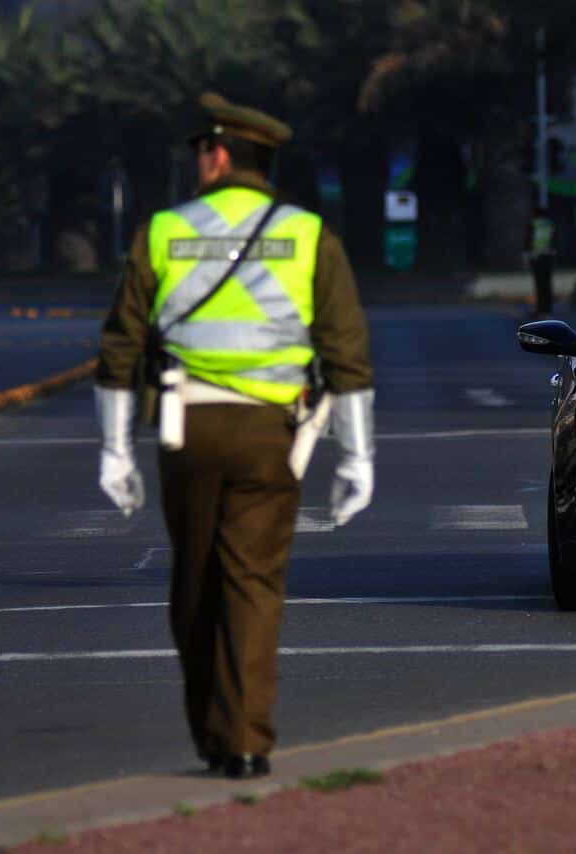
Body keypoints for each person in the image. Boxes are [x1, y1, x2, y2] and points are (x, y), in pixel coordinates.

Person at [94, 92, 375, 778]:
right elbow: (346, 353)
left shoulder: (163, 231)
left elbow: (119, 348)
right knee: (253, 583)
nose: (199, 161)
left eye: (201, 151)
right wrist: (357, 456)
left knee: (195, 582)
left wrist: (114, 449)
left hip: (186, 430)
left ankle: (210, 733)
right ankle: (245, 739)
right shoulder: (309, 235)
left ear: (218, 155)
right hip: (270, 434)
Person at [524, 205, 556, 317]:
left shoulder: (533, 224)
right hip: (548, 256)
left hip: (537, 256)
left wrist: (527, 255)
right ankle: (548, 308)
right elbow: (555, 239)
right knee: (547, 283)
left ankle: (540, 308)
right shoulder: (550, 224)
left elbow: (528, 240)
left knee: (539, 284)